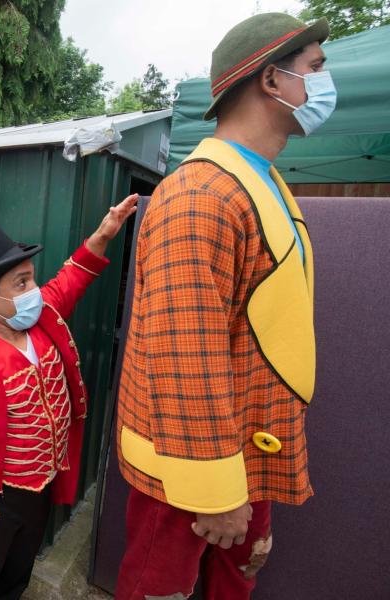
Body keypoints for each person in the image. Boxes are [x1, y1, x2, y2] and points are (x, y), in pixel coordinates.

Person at [114, 13, 330, 600]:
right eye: (314, 68)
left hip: (248, 450)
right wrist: (216, 490)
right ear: (270, 80)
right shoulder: (201, 195)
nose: (322, 83)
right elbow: (187, 353)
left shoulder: (261, 182)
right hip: (195, 473)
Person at [0, 196, 137, 600]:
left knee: (18, 568)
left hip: (40, 485)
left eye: (32, 279)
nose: (35, 290)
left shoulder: (41, 320)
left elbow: (71, 278)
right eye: (21, 283)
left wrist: (103, 235)